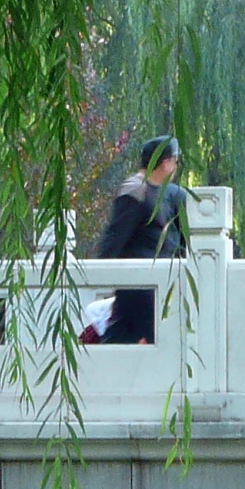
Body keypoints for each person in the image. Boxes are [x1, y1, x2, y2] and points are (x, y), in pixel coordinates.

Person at [90, 135, 187, 344]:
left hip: (165, 285)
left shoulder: (172, 194)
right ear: (165, 162)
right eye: (175, 160)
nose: (176, 165)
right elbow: (115, 237)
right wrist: (99, 273)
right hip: (139, 288)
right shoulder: (136, 191)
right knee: (129, 344)